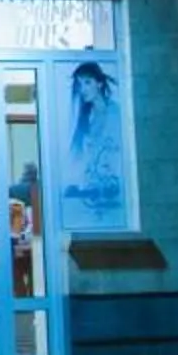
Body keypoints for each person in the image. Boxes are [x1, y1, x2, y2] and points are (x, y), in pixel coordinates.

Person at [60, 60, 126, 229]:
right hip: (92, 188)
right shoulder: (86, 118)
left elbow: (120, 152)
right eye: (80, 84)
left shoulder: (117, 112)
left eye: (87, 82)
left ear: (99, 83)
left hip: (114, 186)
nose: (83, 89)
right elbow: (83, 157)